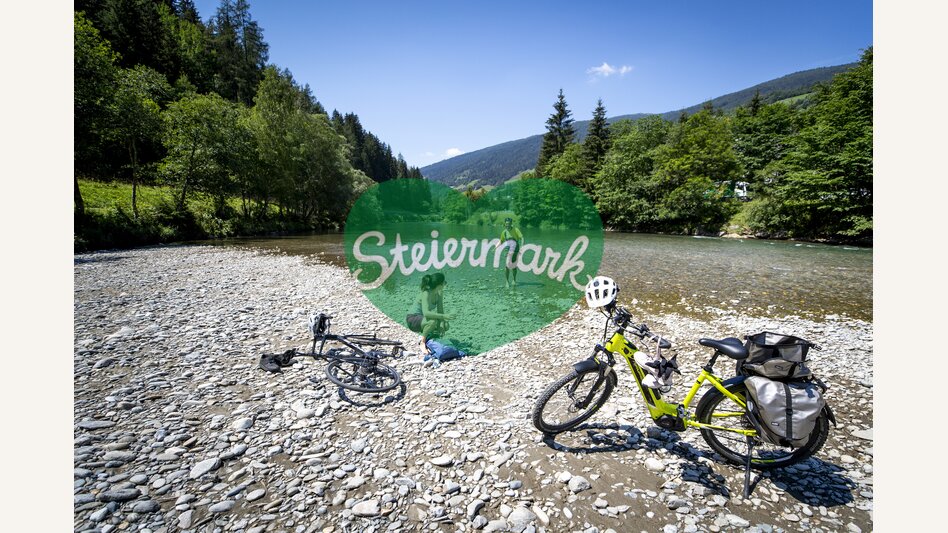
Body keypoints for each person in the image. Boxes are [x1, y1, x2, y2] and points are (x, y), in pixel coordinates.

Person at [405, 272, 455, 349]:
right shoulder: (426, 293)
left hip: (422, 319)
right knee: (432, 321)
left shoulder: (439, 294)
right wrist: (444, 316)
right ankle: (423, 342)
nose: (445, 283)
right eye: (444, 282)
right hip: (413, 319)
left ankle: (432, 336)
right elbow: (426, 313)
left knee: (445, 324)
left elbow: (440, 311)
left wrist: (441, 325)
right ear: (439, 285)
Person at [494, 217, 523, 288]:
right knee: (507, 266)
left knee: (514, 266)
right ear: (505, 224)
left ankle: (514, 280)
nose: (507, 225)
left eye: (509, 224)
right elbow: (501, 241)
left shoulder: (516, 230)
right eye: (506, 224)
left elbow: (521, 238)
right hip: (508, 249)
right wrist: (495, 247)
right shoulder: (504, 232)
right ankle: (507, 281)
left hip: (516, 248)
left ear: (511, 224)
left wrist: (522, 246)